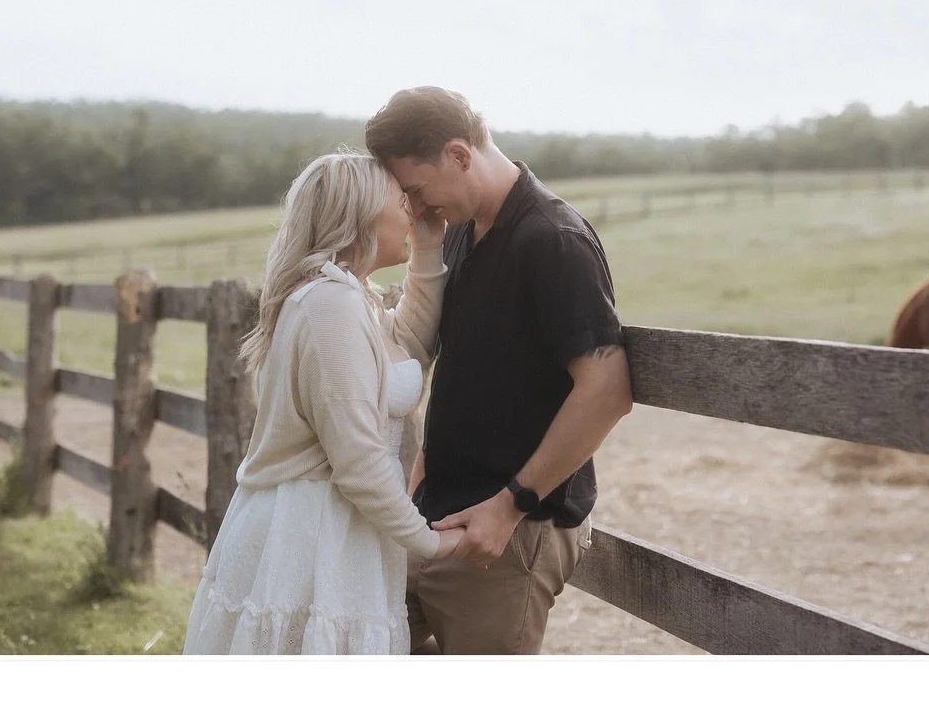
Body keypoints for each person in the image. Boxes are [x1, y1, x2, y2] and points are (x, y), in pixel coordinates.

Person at [364, 86, 634, 655]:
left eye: (417, 189)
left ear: (460, 155)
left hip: (510, 531)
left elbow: (607, 389)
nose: (415, 207)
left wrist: (510, 506)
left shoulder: (553, 240)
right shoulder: (460, 232)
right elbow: (467, 369)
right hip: (436, 515)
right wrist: (420, 473)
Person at [182, 152, 466, 654]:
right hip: (312, 536)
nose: (412, 211)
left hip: (336, 528)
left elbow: (408, 350)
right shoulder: (330, 307)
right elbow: (357, 461)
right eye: (400, 201)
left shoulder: (349, 296)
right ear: (360, 213)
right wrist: (429, 542)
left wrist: (426, 253)